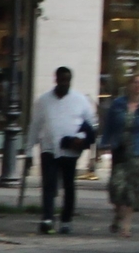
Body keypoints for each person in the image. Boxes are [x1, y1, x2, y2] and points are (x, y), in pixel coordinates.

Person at [26, 66, 96, 235]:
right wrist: (29, 151)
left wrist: (79, 138)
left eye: (67, 80)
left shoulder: (80, 100)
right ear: (55, 79)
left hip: (70, 151)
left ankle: (66, 220)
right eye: (61, 79)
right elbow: (35, 126)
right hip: (49, 148)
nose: (64, 83)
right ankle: (47, 218)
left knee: (69, 186)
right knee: (48, 184)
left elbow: (91, 124)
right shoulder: (43, 101)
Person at [101, 72, 139, 236]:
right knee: (117, 187)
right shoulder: (118, 105)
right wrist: (104, 144)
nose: (138, 85)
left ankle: (126, 226)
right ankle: (118, 214)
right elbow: (109, 126)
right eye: (135, 82)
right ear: (129, 85)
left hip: (137, 152)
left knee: (132, 190)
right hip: (120, 150)